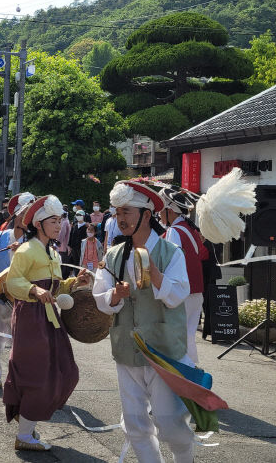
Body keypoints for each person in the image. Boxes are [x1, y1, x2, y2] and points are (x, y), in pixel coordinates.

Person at [92, 180, 195, 463]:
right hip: (126, 348)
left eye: (126, 211)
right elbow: (100, 296)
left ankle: (185, 456)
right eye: (117, 213)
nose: (120, 219)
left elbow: (178, 294)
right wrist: (115, 294)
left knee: (169, 420)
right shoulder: (112, 255)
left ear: (146, 215)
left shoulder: (170, 252)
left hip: (163, 349)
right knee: (135, 422)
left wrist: (154, 273)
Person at [3, 195, 89, 451]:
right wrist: (33, 291)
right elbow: (12, 282)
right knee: (37, 372)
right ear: (38, 223)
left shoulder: (52, 252)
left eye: (61, 220)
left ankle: (25, 422)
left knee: (65, 369)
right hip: (31, 316)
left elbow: (55, 286)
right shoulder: (27, 250)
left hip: (49, 316)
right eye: (53, 220)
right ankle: (24, 434)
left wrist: (74, 283)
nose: (59, 225)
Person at [0, 192, 35, 392]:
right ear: (17, 215)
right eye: (24, 214)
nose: (27, 218)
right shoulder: (1, 237)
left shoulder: (35, 244)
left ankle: (18, 381)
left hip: (23, 301)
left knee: (22, 344)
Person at [159, 187, 208, 364]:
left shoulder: (175, 231)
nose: (159, 215)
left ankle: (185, 376)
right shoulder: (190, 228)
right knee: (188, 336)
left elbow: (170, 262)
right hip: (195, 290)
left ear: (169, 211)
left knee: (179, 337)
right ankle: (191, 372)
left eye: (161, 211)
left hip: (182, 292)